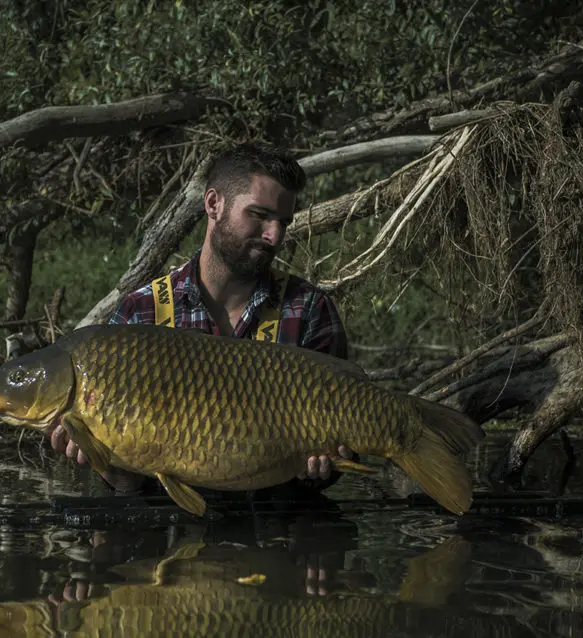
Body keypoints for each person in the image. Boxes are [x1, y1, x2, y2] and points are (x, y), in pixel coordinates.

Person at [50, 142, 355, 493]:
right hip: (170, 530)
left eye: (282, 222)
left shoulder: (309, 310)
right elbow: (127, 484)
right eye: (259, 215)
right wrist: (98, 459)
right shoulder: (141, 312)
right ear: (213, 204)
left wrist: (325, 469)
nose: (275, 235)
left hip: (276, 528)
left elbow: (336, 465)